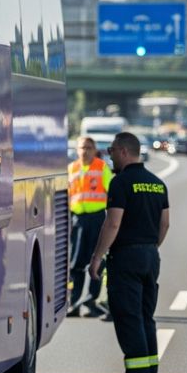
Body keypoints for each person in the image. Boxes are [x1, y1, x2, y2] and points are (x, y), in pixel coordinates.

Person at [87, 131, 170, 373]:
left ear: (123, 151)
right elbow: (165, 224)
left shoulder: (121, 183)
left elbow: (113, 223)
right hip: (150, 255)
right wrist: (150, 248)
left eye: (111, 151)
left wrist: (97, 257)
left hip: (126, 258)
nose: (109, 156)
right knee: (146, 318)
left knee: (129, 319)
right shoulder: (157, 184)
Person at [67, 136, 113, 317]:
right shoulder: (72, 168)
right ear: (76, 150)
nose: (84, 151)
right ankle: (75, 303)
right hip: (77, 220)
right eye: (81, 148)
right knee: (76, 264)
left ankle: (91, 300)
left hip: (97, 220)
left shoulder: (101, 168)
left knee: (96, 261)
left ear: (94, 150)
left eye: (88, 148)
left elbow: (112, 192)